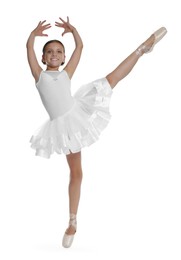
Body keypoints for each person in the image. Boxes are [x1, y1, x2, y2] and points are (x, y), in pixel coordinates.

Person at [26, 16, 167, 248]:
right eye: (49, 51)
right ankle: (73, 221)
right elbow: (28, 48)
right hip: (64, 126)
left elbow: (80, 47)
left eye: (59, 51)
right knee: (77, 174)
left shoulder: (65, 73)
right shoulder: (38, 75)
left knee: (111, 79)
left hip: (77, 111)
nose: (54, 54)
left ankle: (143, 47)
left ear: (62, 58)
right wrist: (33, 35)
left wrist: (73, 31)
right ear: (42, 58)